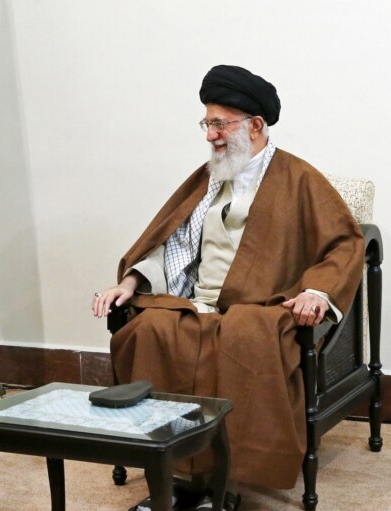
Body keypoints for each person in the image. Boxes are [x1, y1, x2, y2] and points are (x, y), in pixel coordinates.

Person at [92, 66, 364, 511]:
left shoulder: (299, 179)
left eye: (220, 124)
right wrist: (131, 280)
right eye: (207, 124)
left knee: (242, 340)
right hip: (198, 303)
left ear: (255, 126)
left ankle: (226, 481)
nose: (210, 136)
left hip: (261, 306)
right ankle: (175, 475)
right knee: (150, 332)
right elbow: (174, 239)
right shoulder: (210, 176)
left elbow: (345, 243)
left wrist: (317, 291)